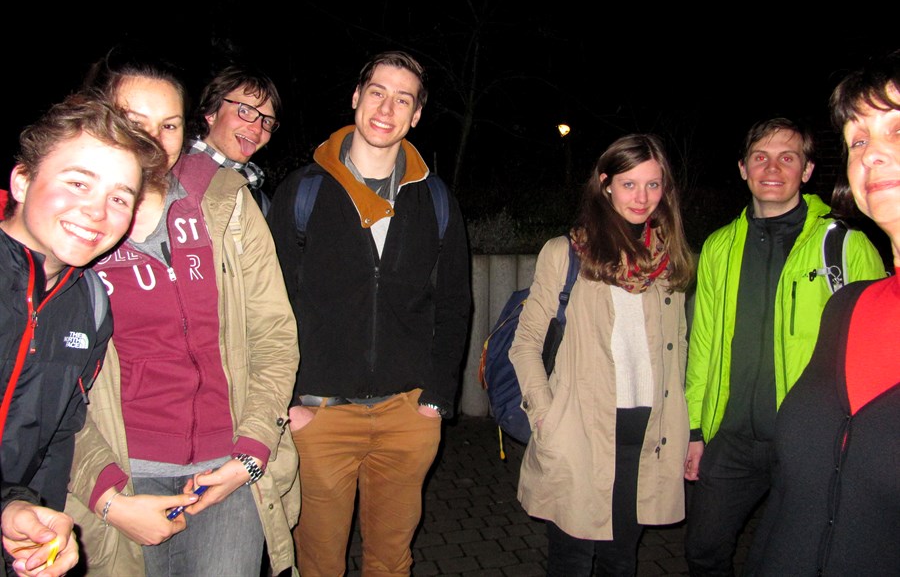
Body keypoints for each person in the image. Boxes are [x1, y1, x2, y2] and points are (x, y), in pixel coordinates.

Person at [64, 54, 301, 577]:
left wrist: (251, 451)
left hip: (225, 467)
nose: (153, 139)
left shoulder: (226, 203)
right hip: (124, 472)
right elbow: (45, 385)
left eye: (168, 125)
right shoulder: (71, 222)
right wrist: (106, 497)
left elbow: (273, 335)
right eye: (134, 121)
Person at [266, 50, 472, 576]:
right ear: (356, 98)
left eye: (403, 99)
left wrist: (436, 400)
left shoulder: (435, 200)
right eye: (377, 92)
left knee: (391, 562)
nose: (387, 108)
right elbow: (269, 306)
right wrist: (289, 401)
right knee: (318, 563)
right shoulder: (303, 192)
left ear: (416, 115)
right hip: (319, 416)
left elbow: (453, 304)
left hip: (406, 416)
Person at [682, 117, 887, 575]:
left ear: (807, 170)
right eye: (761, 157)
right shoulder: (718, 247)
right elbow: (703, 343)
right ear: (743, 168)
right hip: (730, 438)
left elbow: (877, 353)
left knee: (795, 561)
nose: (772, 168)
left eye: (787, 157)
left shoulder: (845, 246)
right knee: (703, 550)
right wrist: (694, 429)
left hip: (810, 442)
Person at [509, 134, 695, 576]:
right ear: (606, 184)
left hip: (647, 435)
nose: (642, 197)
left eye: (653, 184)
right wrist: (545, 416)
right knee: (572, 561)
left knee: (620, 560)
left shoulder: (668, 261)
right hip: (579, 432)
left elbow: (679, 347)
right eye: (629, 184)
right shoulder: (567, 253)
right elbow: (526, 342)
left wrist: (687, 428)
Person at [744, 50, 899, 575]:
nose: (873, 155)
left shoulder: (844, 248)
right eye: (858, 140)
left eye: (897, 130)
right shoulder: (849, 308)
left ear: (808, 171)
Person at [1, 94, 164, 576]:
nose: (96, 212)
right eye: (77, 183)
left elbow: (54, 442)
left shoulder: (89, 305)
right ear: (22, 180)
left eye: (119, 198)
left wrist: (23, 514)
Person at [189, 63, 283, 216]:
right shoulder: (169, 177)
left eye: (266, 121)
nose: (257, 129)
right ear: (212, 112)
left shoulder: (256, 197)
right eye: (244, 111)